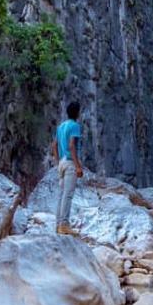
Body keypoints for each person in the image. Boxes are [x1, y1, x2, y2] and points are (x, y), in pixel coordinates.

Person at [52, 101, 83, 235]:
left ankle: (58, 224)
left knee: (61, 194)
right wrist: (78, 166)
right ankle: (64, 224)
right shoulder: (75, 126)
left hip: (62, 162)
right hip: (70, 162)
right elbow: (72, 146)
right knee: (68, 195)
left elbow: (54, 145)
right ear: (77, 113)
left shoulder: (60, 126)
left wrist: (58, 161)